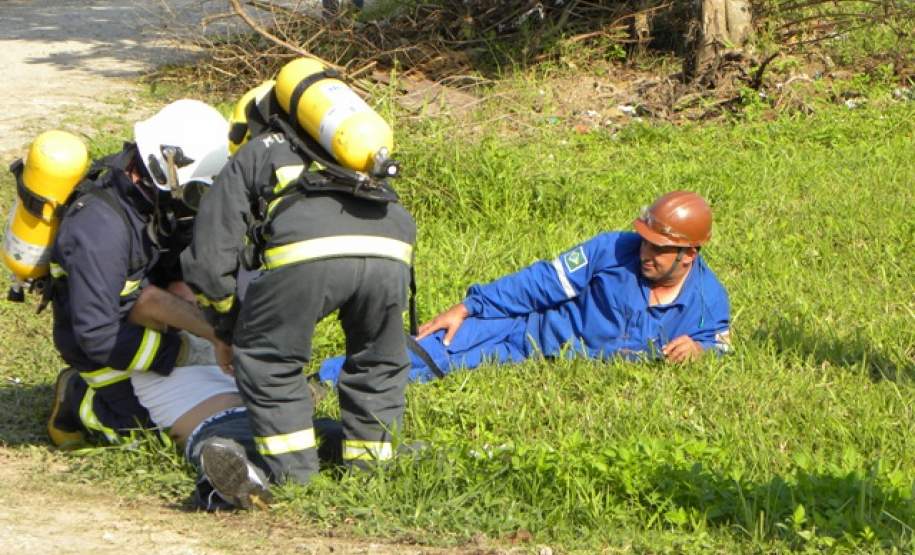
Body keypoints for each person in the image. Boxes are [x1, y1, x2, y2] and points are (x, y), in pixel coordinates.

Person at [181, 88, 417, 485]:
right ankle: (372, 475)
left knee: (270, 362)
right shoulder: (348, 155)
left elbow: (209, 257)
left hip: (307, 253)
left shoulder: (259, 150)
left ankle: (295, 479)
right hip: (391, 249)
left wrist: (228, 326)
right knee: (378, 362)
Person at [318, 190, 731, 384]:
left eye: (658, 249)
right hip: (524, 331)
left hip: (565, 367)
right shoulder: (610, 249)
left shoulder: (708, 300)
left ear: (688, 255)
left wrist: (700, 349)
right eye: (642, 239)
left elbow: (720, 343)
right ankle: (319, 381)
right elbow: (541, 283)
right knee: (432, 350)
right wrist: (470, 307)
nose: (644, 253)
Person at [46, 99, 232, 449]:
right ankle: (80, 397)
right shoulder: (99, 229)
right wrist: (178, 352)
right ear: (166, 169)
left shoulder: (155, 202)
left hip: (140, 317)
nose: (198, 200)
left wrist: (207, 324)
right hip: (101, 345)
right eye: (196, 189)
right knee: (156, 432)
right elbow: (97, 335)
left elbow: (174, 267)